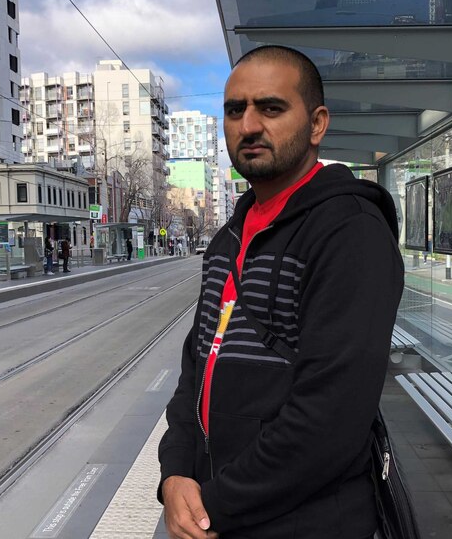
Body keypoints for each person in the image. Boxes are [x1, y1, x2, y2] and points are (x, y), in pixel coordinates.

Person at [158, 45, 404, 539]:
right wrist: (174, 475)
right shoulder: (229, 238)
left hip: (306, 522)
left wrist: (214, 504)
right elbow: (197, 366)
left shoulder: (349, 232)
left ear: (316, 124)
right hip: (220, 512)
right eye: (234, 110)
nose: (248, 125)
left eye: (271, 108)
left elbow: (331, 417)